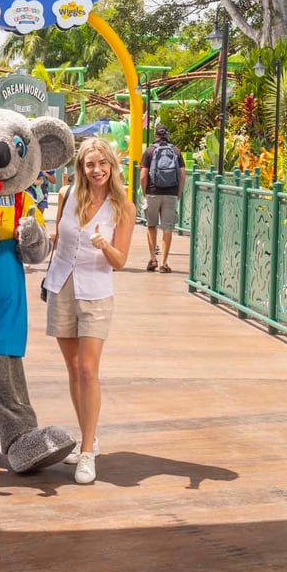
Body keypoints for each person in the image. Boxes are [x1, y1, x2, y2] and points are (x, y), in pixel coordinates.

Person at [45, 135, 135, 485]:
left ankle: (85, 452)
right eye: (89, 164)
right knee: (72, 368)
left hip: (96, 291)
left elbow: (121, 261)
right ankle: (89, 435)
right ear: (81, 168)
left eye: (102, 163)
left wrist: (105, 245)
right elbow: (59, 239)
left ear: (111, 165)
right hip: (62, 285)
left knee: (87, 369)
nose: (96, 170)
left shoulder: (122, 205)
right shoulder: (68, 195)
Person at [141, 124, 185, 273]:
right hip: (171, 193)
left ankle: (153, 258)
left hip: (152, 192)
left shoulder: (149, 151)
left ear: (155, 135)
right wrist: (178, 193)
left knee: (151, 225)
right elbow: (182, 175)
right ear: (168, 134)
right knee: (167, 228)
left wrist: (145, 192)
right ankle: (164, 263)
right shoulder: (176, 151)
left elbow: (143, 175)